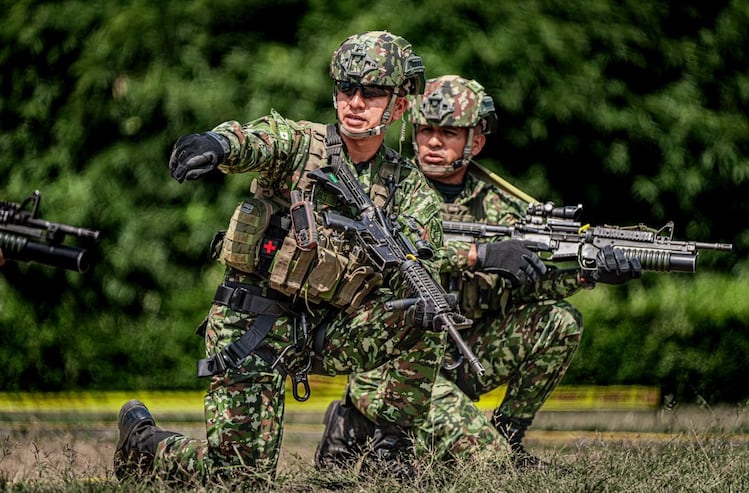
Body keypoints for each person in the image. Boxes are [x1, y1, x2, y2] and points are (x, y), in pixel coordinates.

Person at [113, 32, 479, 485]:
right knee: (240, 478)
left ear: (399, 106)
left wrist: (420, 282)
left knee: (429, 313)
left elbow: (425, 256)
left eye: (372, 92)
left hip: (327, 331)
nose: (356, 101)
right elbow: (258, 139)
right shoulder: (303, 145)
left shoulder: (410, 190)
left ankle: (389, 443)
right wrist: (217, 144)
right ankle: (145, 447)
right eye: (347, 88)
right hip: (253, 324)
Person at [315, 75, 642, 471]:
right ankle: (357, 429)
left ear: (477, 142)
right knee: (485, 466)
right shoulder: (385, 188)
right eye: (425, 131)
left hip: (462, 358)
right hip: (392, 369)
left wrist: (588, 274)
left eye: (449, 132)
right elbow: (384, 252)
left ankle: (510, 438)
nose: (434, 142)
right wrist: (477, 253)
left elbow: (525, 288)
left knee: (560, 321)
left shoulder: (503, 208)